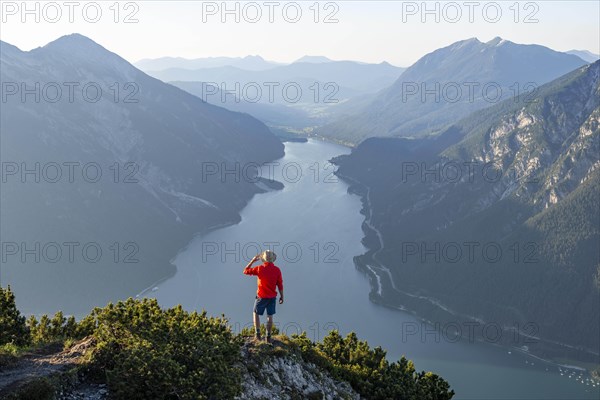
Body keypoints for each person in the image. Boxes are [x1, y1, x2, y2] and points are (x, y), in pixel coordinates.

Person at [243, 250, 283, 343]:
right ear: (273, 259)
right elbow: (280, 284)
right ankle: (268, 337)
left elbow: (245, 271)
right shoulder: (277, 270)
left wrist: (252, 261)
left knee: (255, 313)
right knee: (270, 316)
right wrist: (282, 296)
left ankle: (258, 335)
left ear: (263, 259)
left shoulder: (259, 268)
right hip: (272, 297)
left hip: (261, 297)